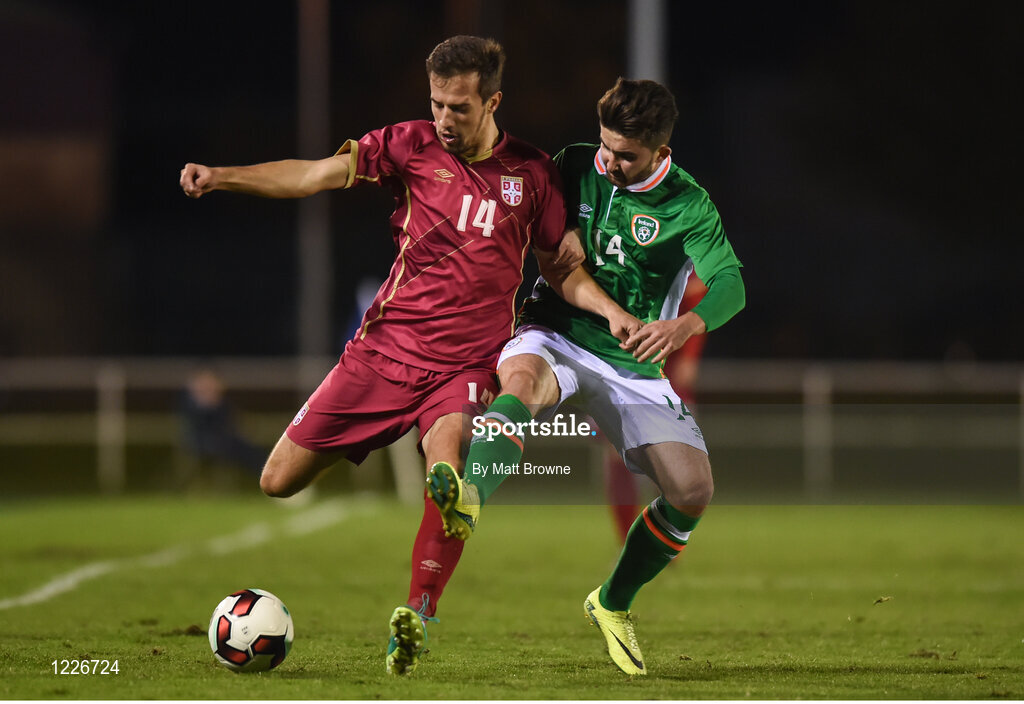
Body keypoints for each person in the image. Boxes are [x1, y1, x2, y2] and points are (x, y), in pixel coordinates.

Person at [179, 35, 582, 676]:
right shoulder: (409, 145)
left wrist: (611, 315)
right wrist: (223, 176)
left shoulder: (533, 174)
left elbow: (564, 268)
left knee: (446, 463)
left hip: (466, 364)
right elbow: (312, 174)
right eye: (437, 104)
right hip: (383, 353)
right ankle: (437, 492)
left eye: (459, 107)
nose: (445, 120)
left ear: (493, 101)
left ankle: (415, 616)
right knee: (276, 481)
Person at [427, 77, 745, 675]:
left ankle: (612, 603)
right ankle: (470, 495)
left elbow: (731, 283)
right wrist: (559, 228)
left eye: (626, 155)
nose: (610, 162)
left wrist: (684, 326)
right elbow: (533, 213)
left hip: (633, 360)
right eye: (605, 147)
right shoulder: (576, 163)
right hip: (556, 330)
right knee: (521, 382)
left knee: (692, 491)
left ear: (660, 150)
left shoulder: (688, 203)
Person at [604, 274, 707, 543]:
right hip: (619, 367)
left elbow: (698, 292)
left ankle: (662, 544)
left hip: (665, 371)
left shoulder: (677, 245)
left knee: (673, 464)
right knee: (618, 456)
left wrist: (690, 356)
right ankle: (628, 541)